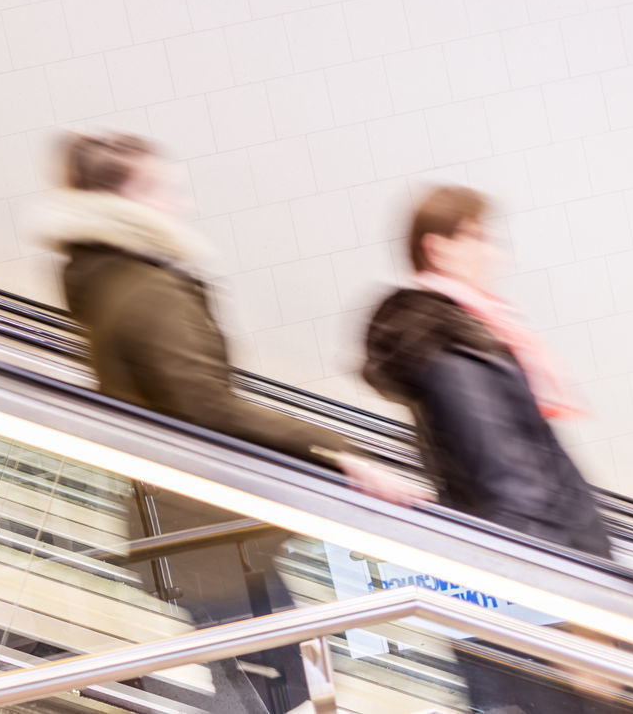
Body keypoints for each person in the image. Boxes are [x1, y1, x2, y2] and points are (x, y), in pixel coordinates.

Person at [40, 133, 421, 713]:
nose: (180, 204)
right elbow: (209, 406)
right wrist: (338, 451)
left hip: (188, 525)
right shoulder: (148, 291)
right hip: (203, 529)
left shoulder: (106, 278)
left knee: (273, 669)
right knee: (277, 680)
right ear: (127, 197)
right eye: (164, 189)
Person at [362, 186, 633, 713]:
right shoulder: (449, 346)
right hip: (540, 578)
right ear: (440, 248)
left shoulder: (463, 334)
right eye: (480, 239)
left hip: (537, 572)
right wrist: (564, 615)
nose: (496, 254)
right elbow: (504, 475)